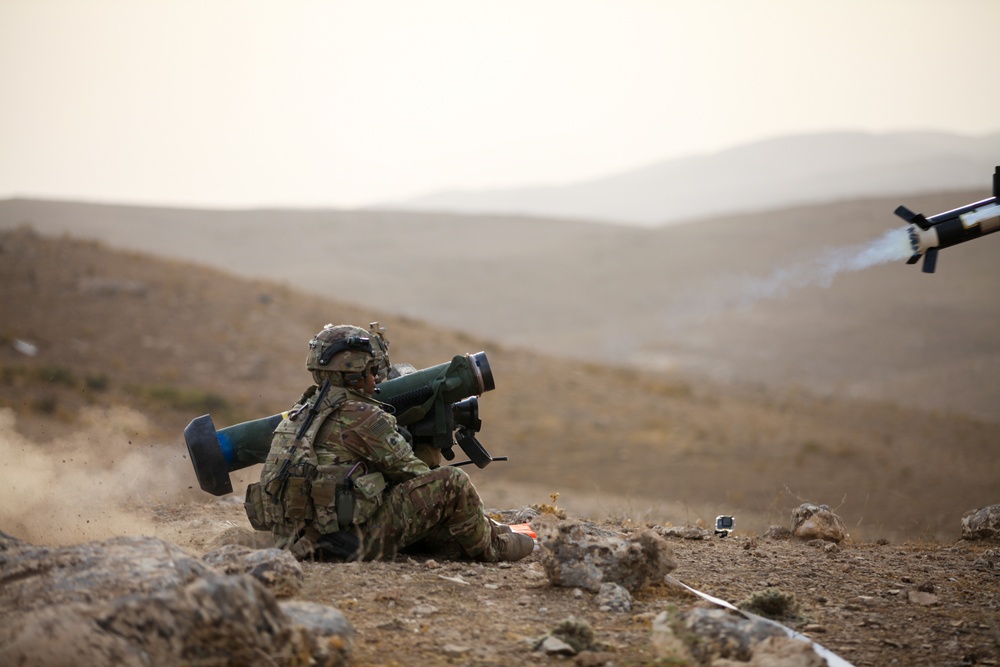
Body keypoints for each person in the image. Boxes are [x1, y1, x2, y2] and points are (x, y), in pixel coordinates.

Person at [251, 322, 534, 563]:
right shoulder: (363, 417)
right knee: (452, 483)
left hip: (298, 541)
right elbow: (416, 476)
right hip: (351, 545)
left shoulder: (295, 415)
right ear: (355, 374)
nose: (375, 379)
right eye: (371, 371)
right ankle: (495, 548)